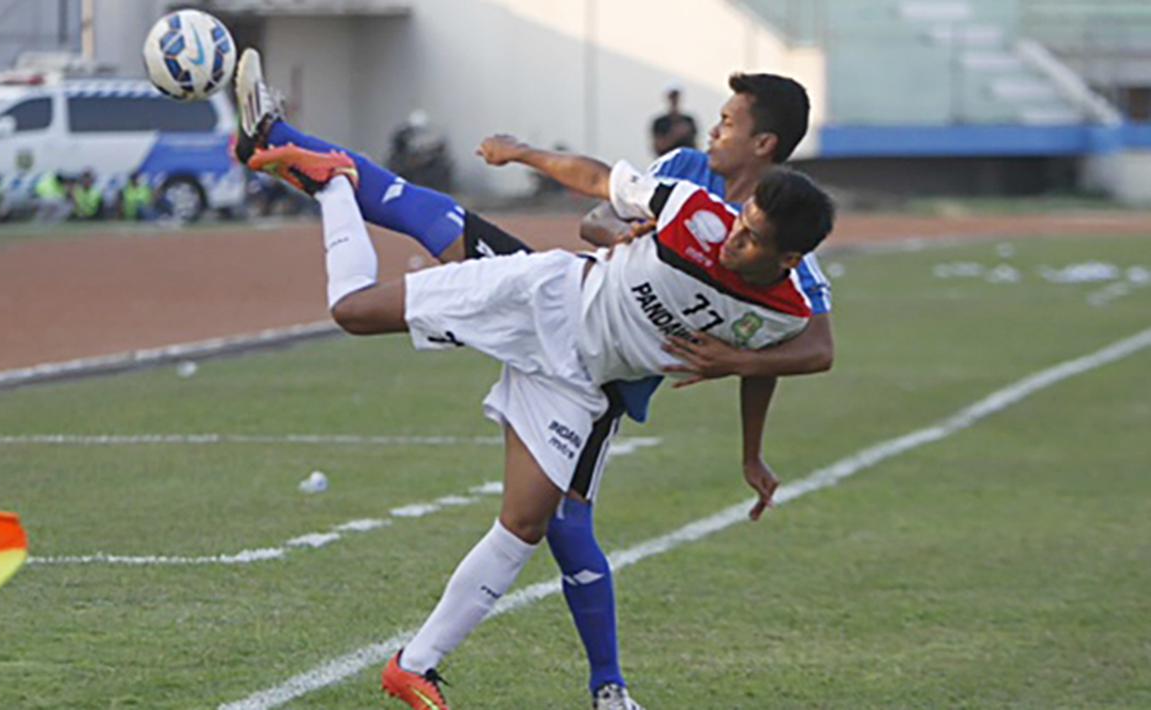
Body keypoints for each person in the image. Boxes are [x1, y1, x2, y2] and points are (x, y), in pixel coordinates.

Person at [233, 50, 832, 709]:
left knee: (535, 522)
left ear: (764, 144)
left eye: (726, 121)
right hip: (547, 296)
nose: (711, 131)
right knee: (375, 286)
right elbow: (599, 195)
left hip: (594, 381)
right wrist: (528, 159)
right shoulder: (691, 192)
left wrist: (743, 399)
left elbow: (804, 346)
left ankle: (423, 666)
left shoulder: (789, 287)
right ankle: (321, 170)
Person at [650, 85, 698, 157]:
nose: (675, 100)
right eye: (672, 97)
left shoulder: (689, 121)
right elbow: (658, 147)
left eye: (676, 97)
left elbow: (695, 145)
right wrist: (675, 134)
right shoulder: (659, 122)